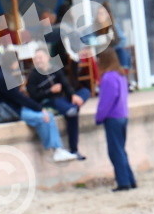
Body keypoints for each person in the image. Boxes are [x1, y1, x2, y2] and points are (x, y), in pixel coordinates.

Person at [0, 33, 68, 160]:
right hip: (12, 110)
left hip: (13, 107)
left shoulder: (2, 74)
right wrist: (39, 108)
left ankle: (56, 149)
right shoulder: (4, 78)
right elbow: (20, 98)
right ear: (13, 63)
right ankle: (55, 150)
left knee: (47, 116)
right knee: (44, 117)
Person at [26, 45, 87, 160]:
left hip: (62, 99)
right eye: (36, 58)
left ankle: (72, 108)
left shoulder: (55, 69)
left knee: (84, 92)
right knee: (71, 113)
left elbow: (65, 84)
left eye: (40, 57)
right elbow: (33, 96)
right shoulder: (33, 76)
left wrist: (72, 95)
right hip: (47, 101)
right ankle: (74, 149)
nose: (38, 61)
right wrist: (50, 91)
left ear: (47, 58)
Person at [91, 48, 135, 190]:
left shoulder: (108, 77)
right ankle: (130, 179)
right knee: (121, 150)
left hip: (113, 117)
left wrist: (99, 117)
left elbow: (106, 101)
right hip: (122, 115)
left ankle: (123, 182)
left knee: (115, 152)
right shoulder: (120, 75)